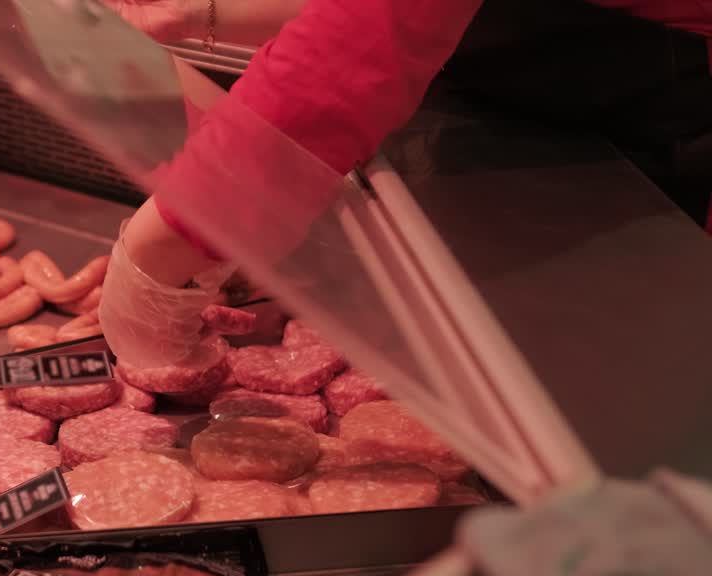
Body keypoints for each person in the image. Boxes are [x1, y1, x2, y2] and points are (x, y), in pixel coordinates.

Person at [98, 0, 712, 369]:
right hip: (528, 104)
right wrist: (215, 12)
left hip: (659, 127)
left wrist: (164, 247)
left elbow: (376, 30)